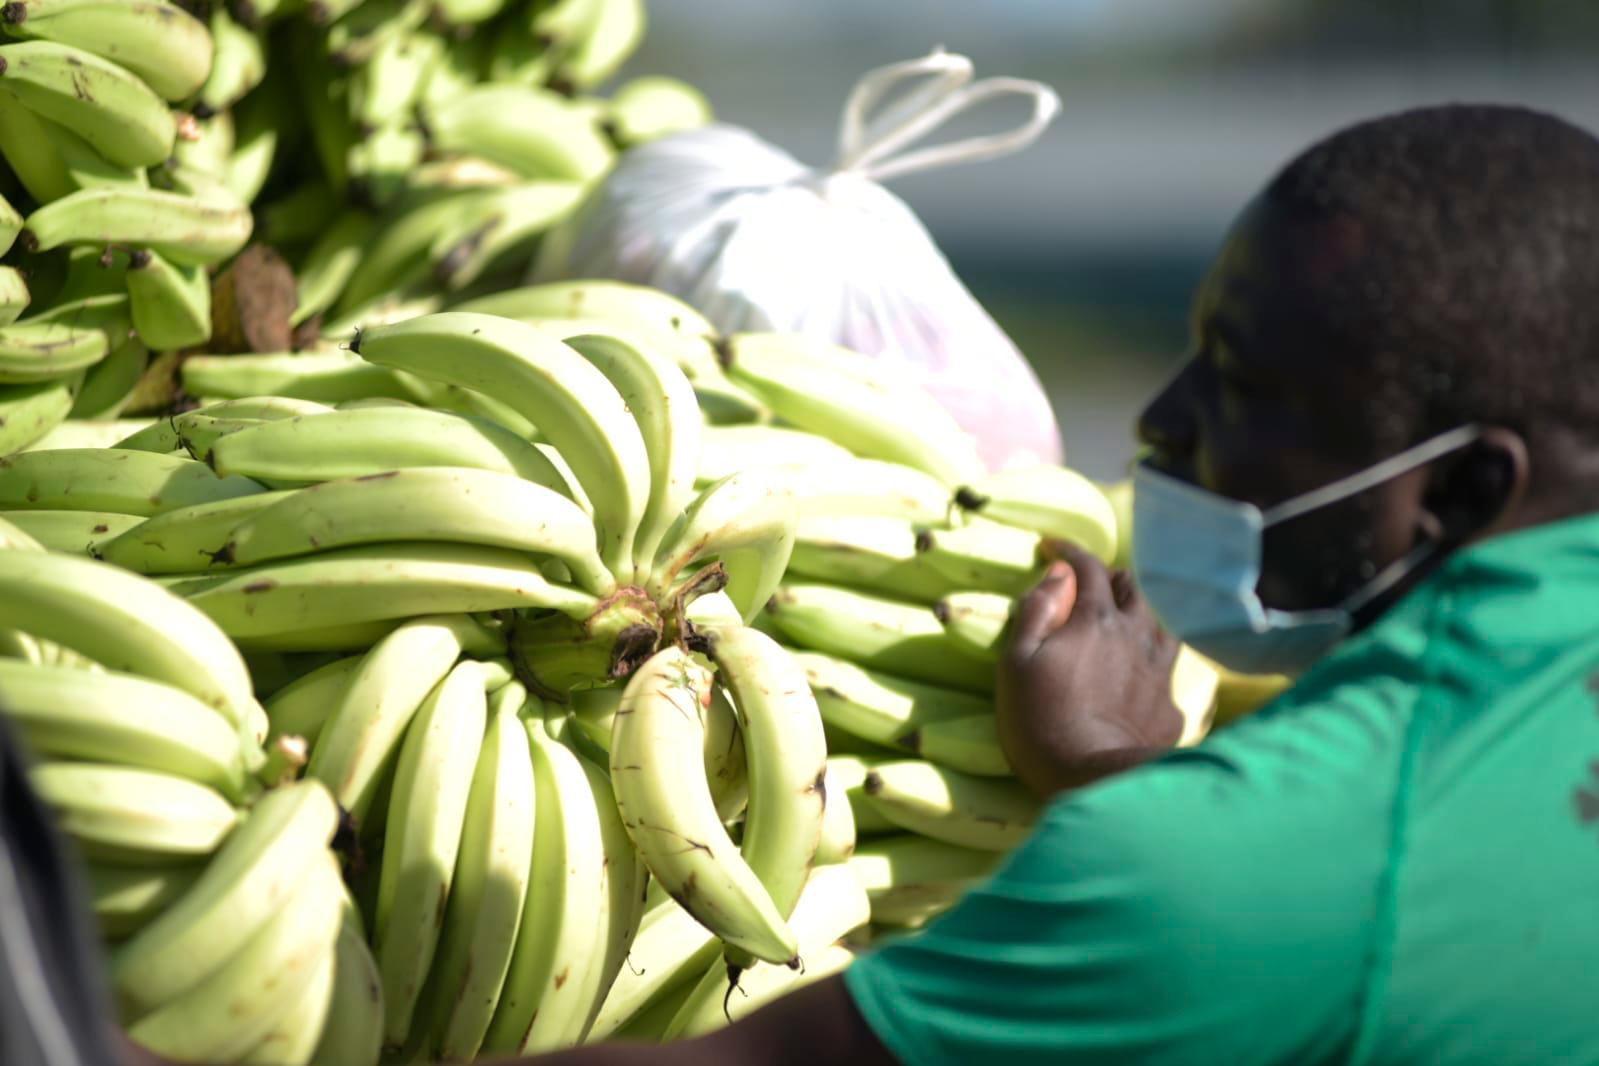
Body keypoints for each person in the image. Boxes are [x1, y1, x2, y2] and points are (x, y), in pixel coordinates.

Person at [9, 101, 1599, 1065]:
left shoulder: (1233, 884)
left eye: (1240, 385)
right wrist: (1132, 783)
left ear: (1463, 488)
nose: (1163, 425)